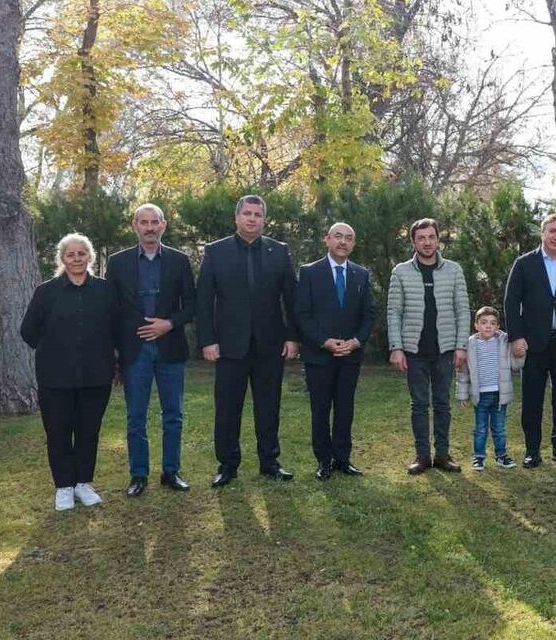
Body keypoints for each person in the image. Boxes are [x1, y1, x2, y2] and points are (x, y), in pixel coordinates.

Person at [196, 195, 300, 487]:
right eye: (247, 214)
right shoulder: (216, 252)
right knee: (228, 408)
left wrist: (293, 337)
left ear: (264, 220)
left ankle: (270, 462)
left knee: (268, 406)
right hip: (229, 346)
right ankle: (228, 465)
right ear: (237, 218)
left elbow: (292, 299)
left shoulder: (278, 251)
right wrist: (207, 340)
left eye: (258, 214)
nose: (252, 219)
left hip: (270, 345)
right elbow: (204, 300)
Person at [20, 233, 119, 511]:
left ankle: (83, 483)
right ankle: (64, 486)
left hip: (96, 376)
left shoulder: (105, 290)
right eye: (70, 255)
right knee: (58, 432)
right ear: (62, 259)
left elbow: (116, 329)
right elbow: (28, 331)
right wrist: (54, 349)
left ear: (90, 257)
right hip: (55, 378)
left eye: (81, 254)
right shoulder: (46, 292)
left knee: (89, 431)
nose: (76, 259)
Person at [106, 203, 196, 497]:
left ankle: (171, 471)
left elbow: (192, 306)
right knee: (136, 416)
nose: (149, 227)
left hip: (170, 348)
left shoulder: (180, 261)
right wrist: (115, 355)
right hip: (135, 351)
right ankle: (138, 475)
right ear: (134, 226)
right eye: (143, 222)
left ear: (163, 225)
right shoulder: (117, 263)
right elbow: (112, 312)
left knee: (174, 414)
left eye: (154, 222)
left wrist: (168, 324)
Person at [388, 218, 472, 474]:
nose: (426, 242)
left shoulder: (454, 270)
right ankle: (422, 456)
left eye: (431, 237)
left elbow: (462, 310)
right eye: (421, 238)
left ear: (438, 239)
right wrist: (396, 347)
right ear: (413, 241)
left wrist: (460, 346)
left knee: (443, 403)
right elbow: (394, 312)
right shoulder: (400, 272)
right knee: (419, 404)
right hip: (414, 351)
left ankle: (443, 455)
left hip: (445, 349)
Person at [503, 213, 556, 469]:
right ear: (543, 233)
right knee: (532, 400)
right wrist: (516, 337)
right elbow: (510, 303)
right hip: (533, 344)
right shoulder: (524, 263)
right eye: (553, 231)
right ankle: (532, 451)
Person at [295, 222, 375, 480]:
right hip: (319, 355)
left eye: (349, 238)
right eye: (338, 236)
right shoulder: (309, 272)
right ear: (327, 239)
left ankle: (343, 459)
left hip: (350, 355)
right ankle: (324, 461)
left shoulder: (361, 275)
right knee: (320, 409)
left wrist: (356, 341)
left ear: (353, 243)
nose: (343, 242)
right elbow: (302, 314)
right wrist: (324, 341)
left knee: (345, 408)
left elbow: (368, 315)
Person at [456, 307, 521, 471]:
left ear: (498, 326)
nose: (488, 326)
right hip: (480, 395)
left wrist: (520, 354)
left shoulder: (504, 341)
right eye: (483, 322)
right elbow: (463, 372)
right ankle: (478, 457)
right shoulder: (470, 344)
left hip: (500, 394)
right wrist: (463, 395)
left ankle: (501, 456)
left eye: (492, 323)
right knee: (480, 429)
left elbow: (515, 365)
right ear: (476, 325)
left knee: (499, 429)